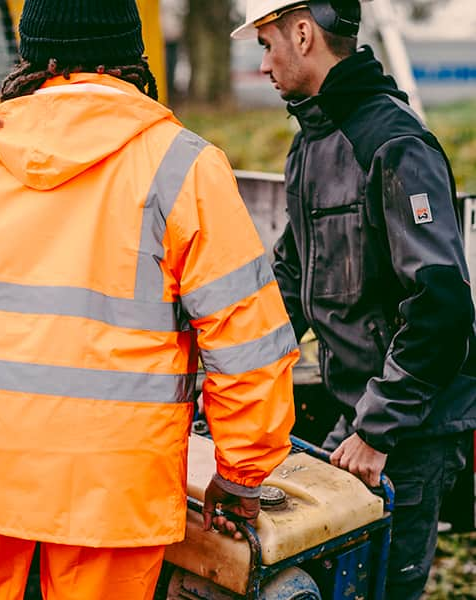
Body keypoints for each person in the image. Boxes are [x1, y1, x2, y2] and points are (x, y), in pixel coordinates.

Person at [0, 1, 299, 598]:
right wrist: (242, 475)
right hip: (112, 486)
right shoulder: (183, 166)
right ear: (131, 55)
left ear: (32, 56)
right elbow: (246, 345)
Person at [231, 1, 476, 599]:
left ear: (304, 33)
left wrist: (377, 430)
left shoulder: (394, 143)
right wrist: (233, 375)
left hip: (409, 429)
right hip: (358, 417)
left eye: (267, 44)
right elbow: (290, 280)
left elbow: (441, 305)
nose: (263, 65)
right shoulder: (311, 144)